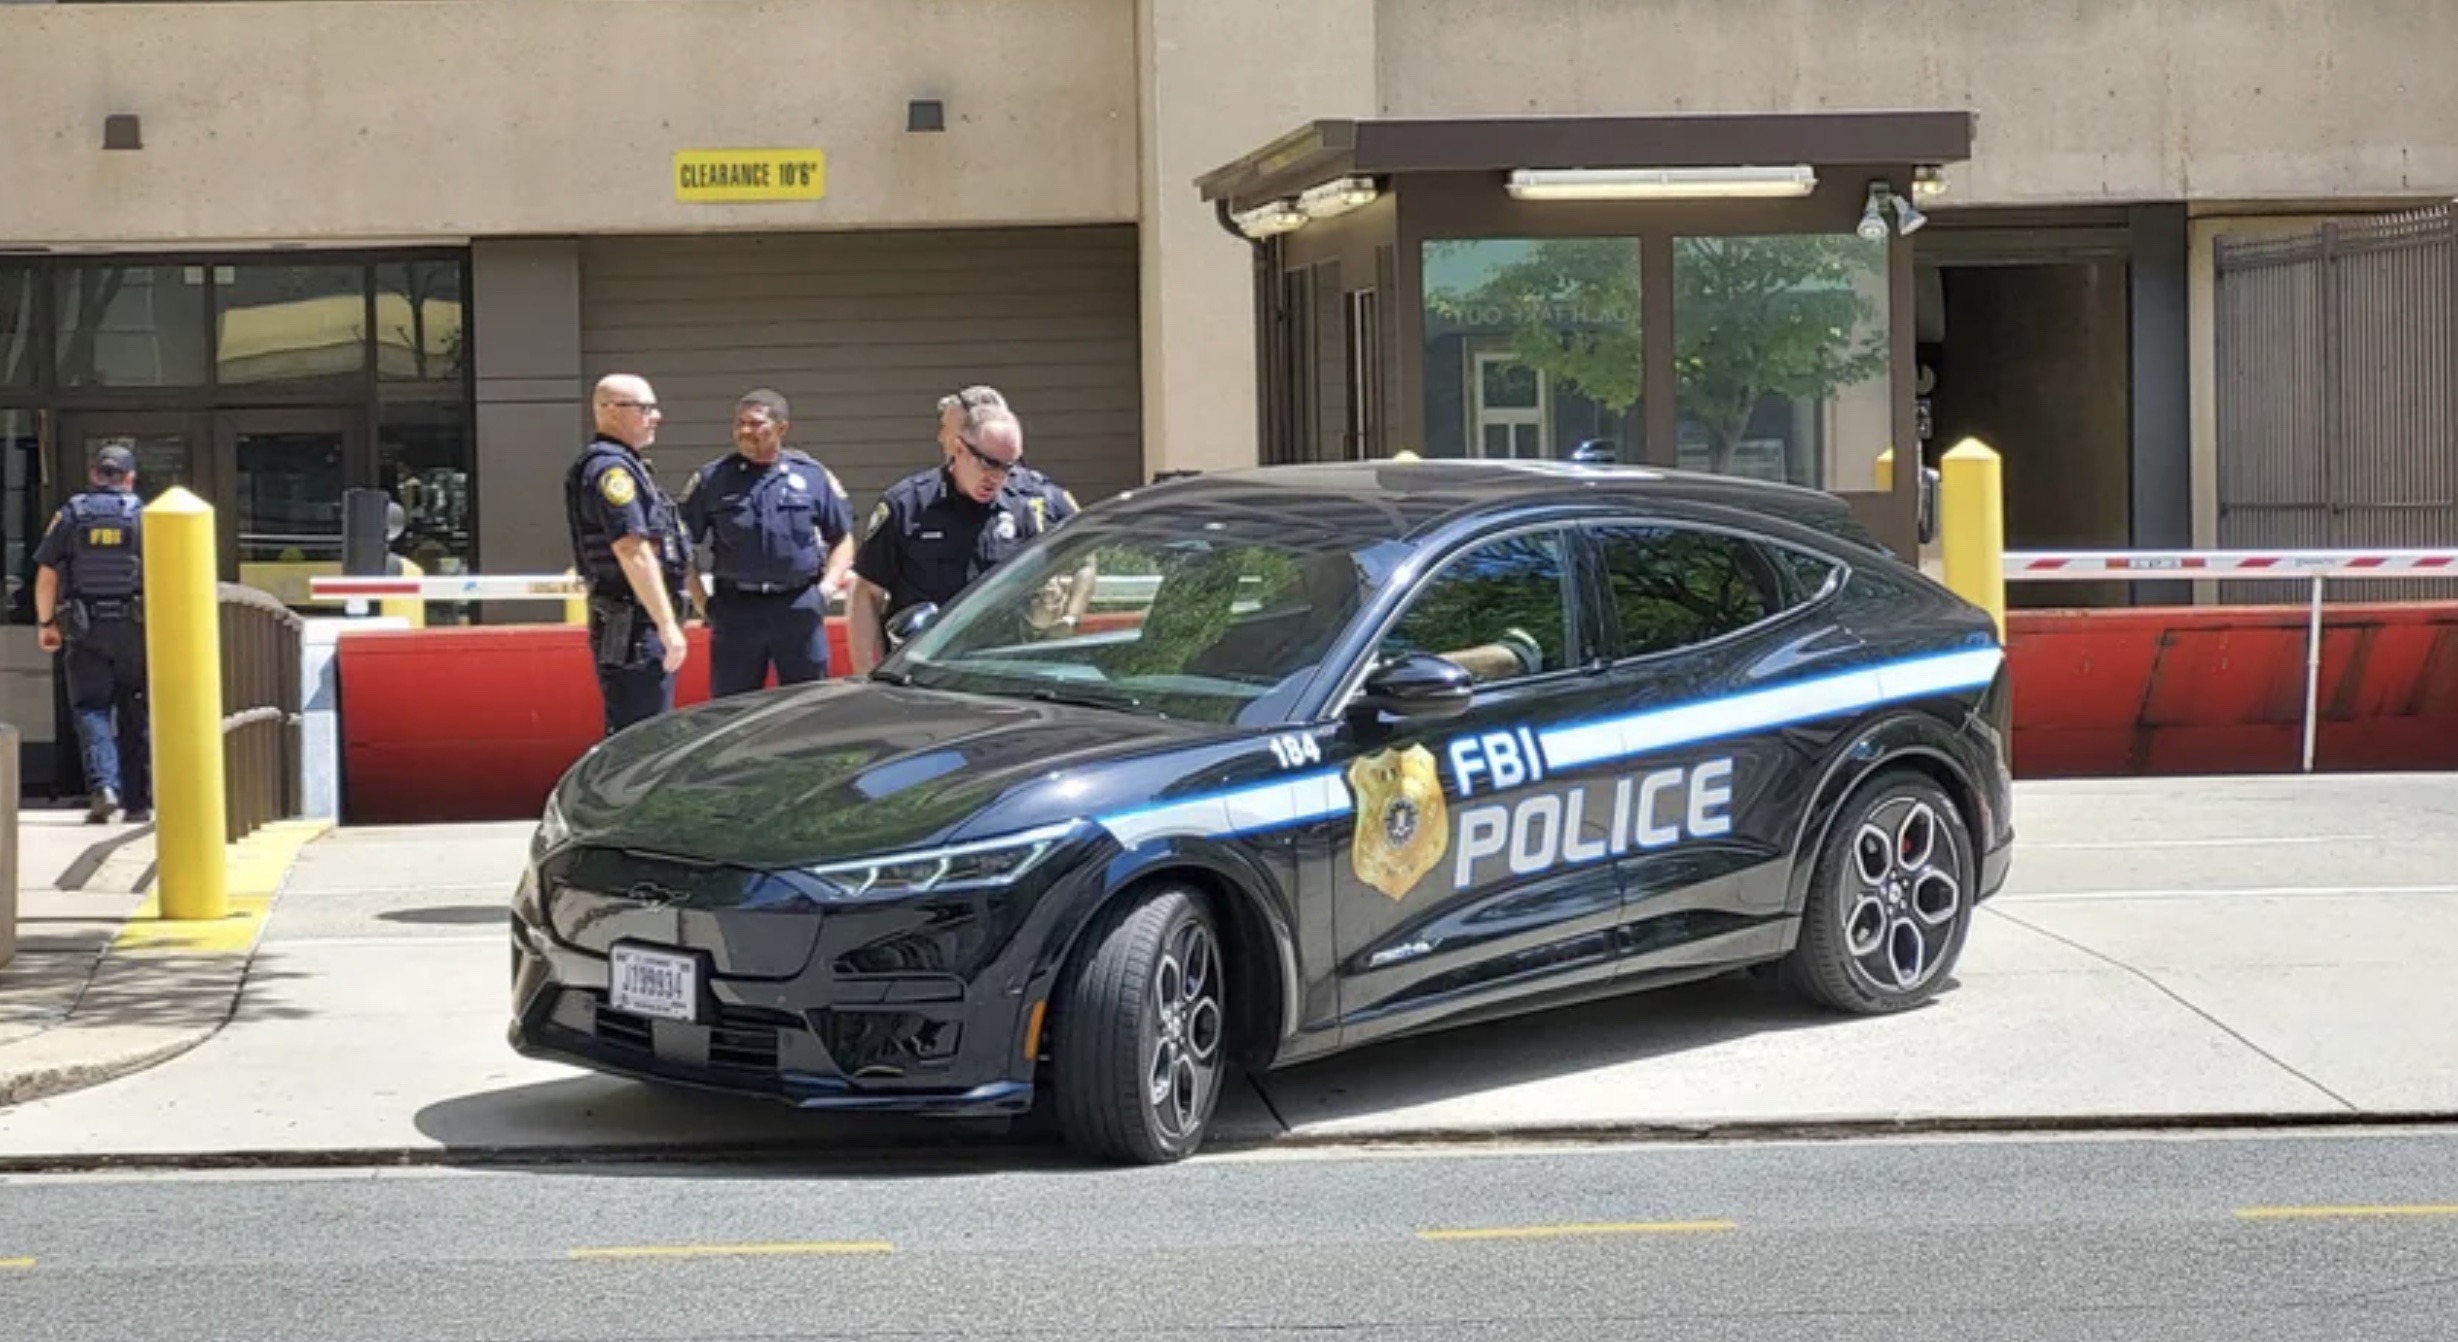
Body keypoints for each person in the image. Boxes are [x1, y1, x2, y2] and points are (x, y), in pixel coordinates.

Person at [846, 393, 1089, 674]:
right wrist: (869, 674)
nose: (996, 478)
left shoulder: (1033, 502)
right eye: (987, 463)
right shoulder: (908, 505)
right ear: (959, 448)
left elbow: (1087, 557)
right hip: (925, 675)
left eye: (1007, 467)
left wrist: (1070, 617)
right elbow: (866, 593)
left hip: (1010, 671)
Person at [680, 388, 856, 697]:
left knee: (807, 704)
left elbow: (842, 538)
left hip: (798, 607)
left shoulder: (812, 476)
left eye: (755, 423)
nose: (745, 431)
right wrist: (702, 604)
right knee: (732, 711)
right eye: (739, 423)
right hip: (736, 611)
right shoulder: (713, 479)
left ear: (782, 428)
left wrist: (825, 591)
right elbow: (681, 546)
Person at [565, 372, 690, 735]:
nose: (656, 416)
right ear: (610, 411)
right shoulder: (611, 470)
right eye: (645, 408)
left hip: (637, 622)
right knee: (641, 742)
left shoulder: (629, 466)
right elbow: (630, 548)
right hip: (632, 627)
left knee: (645, 734)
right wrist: (667, 627)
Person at [32, 445, 152, 824]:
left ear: (95, 475)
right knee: (136, 710)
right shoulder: (145, 517)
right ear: (130, 477)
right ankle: (137, 800)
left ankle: (103, 786)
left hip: (85, 628)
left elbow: (47, 575)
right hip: (137, 628)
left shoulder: (71, 515)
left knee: (91, 708)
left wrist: (46, 623)